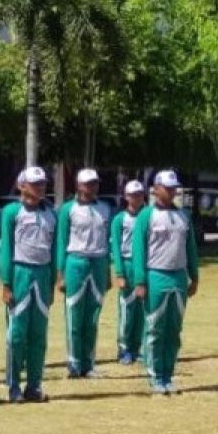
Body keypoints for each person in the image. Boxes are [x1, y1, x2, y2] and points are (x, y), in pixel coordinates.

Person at [132, 170, 199, 395]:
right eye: (168, 188)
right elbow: (138, 250)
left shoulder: (183, 216)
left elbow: (190, 248)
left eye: (174, 188)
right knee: (155, 328)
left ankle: (168, 374)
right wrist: (140, 280)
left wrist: (194, 275)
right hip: (155, 276)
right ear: (156, 189)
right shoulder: (146, 216)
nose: (172, 192)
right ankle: (154, 376)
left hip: (178, 276)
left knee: (173, 329)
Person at [0, 167, 57, 403]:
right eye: (35, 183)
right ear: (22, 186)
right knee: (17, 333)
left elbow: (54, 251)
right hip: (20, 271)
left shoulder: (51, 214)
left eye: (43, 183)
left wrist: (53, 281)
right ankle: (13, 386)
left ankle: (34, 385)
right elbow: (6, 249)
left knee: (38, 335)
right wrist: (6, 282)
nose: (40, 187)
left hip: (42, 274)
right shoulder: (12, 212)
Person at [56, 169, 112, 378]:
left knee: (93, 315)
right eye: (87, 184)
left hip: (97, 262)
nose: (91, 188)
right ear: (79, 186)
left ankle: (88, 363)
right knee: (74, 314)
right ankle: (74, 362)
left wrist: (107, 271)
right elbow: (61, 241)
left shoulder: (105, 209)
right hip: (76, 261)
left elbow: (106, 243)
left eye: (94, 183)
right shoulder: (68, 209)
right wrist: (60, 274)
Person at [111, 180, 147, 364]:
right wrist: (119, 273)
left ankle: (136, 347)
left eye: (140, 194)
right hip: (127, 263)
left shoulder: (147, 216)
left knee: (141, 310)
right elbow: (116, 247)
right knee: (127, 309)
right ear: (126, 197)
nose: (136, 198)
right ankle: (123, 348)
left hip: (144, 266)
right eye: (133, 195)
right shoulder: (119, 219)